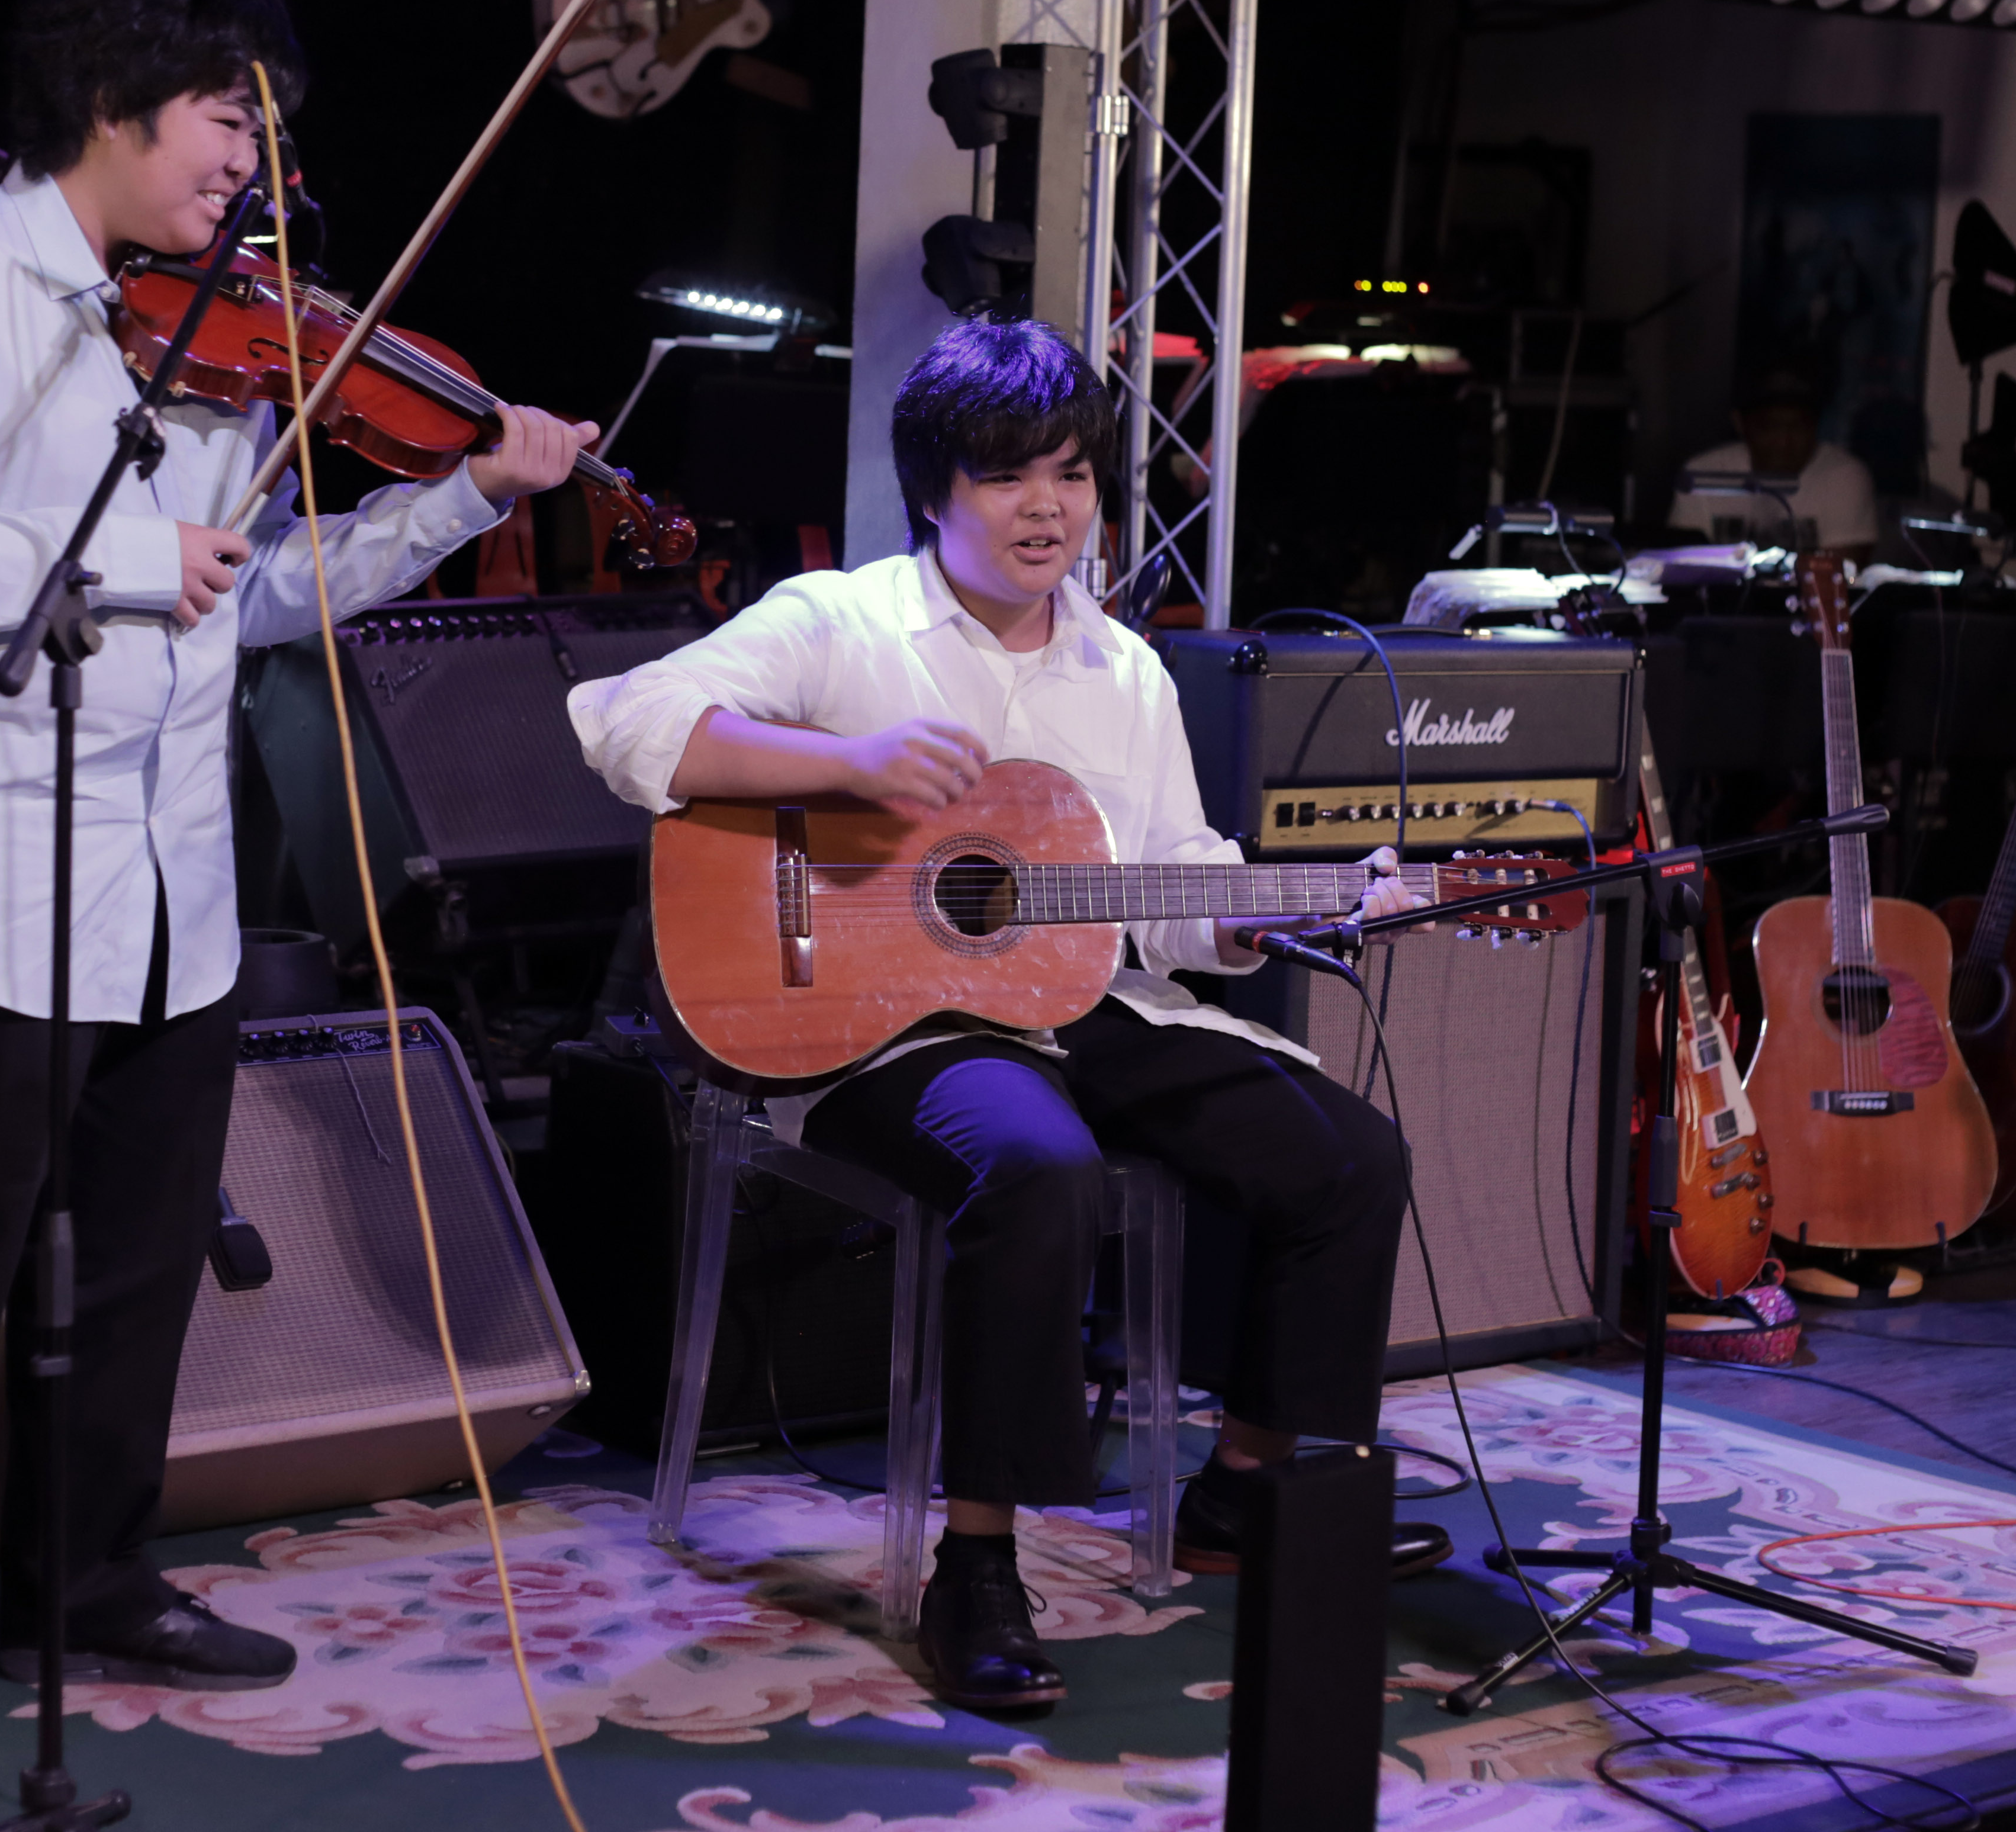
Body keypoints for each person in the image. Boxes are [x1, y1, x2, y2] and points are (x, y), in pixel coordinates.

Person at [0, 0, 593, 1779]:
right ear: (109, 99)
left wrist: (458, 497)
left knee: (138, 1270)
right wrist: (128, 562)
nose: (253, 160)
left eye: (265, 122)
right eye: (230, 117)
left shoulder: (213, 321)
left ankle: (89, 1575)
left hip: (170, 881)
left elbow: (254, 597)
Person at [566, 316, 1447, 1714]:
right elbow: (625, 725)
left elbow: (1168, 886)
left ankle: (1247, 1485)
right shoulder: (838, 621)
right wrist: (845, 763)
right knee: (1037, 1166)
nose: (1048, 508)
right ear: (933, 491)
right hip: (882, 1023)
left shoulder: (1125, 668)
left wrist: (1255, 915)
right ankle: (976, 1567)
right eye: (1006, 476)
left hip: (1087, 1002)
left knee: (1349, 1154)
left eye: (1071, 475)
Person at [1665, 371, 1879, 552]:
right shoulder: (1703, 474)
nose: (1784, 441)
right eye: (1770, 427)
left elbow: (1843, 570)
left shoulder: (1843, 476)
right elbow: (1681, 564)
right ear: (1741, 424)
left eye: (1798, 427)